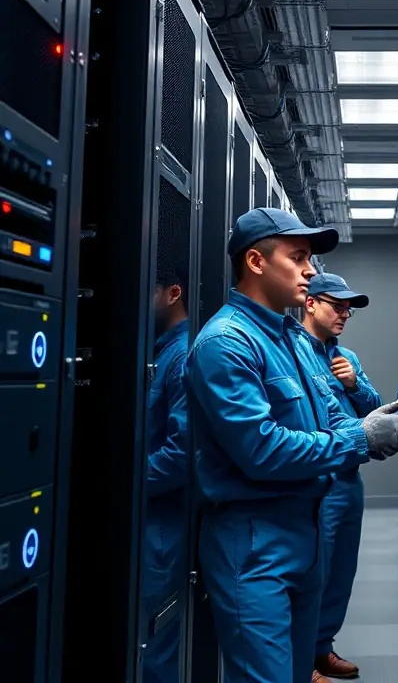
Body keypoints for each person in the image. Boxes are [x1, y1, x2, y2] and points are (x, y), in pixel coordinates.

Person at [185, 208, 398, 683]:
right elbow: (262, 449)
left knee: (296, 672)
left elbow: (331, 414)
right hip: (254, 546)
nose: (311, 269)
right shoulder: (226, 344)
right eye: (299, 256)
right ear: (255, 261)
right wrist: (359, 438)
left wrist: (361, 425)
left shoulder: (293, 340)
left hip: (304, 538)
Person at [302, 273, 381, 682]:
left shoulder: (345, 356)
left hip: (349, 479)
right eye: (337, 305)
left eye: (349, 308)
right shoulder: (293, 350)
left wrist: (353, 384)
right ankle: (302, 664)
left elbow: (376, 408)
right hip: (319, 479)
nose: (345, 314)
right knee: (314, 572)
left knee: (340, 573)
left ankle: (322, 648)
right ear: (311, 303)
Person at [143, 266, 189, 683]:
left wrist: (127, 480)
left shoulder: (182, 354)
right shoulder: (157, 348)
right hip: (152, 521)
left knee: (156, 644)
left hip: (162, 524)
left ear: (173, 293)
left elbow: (180, 455)